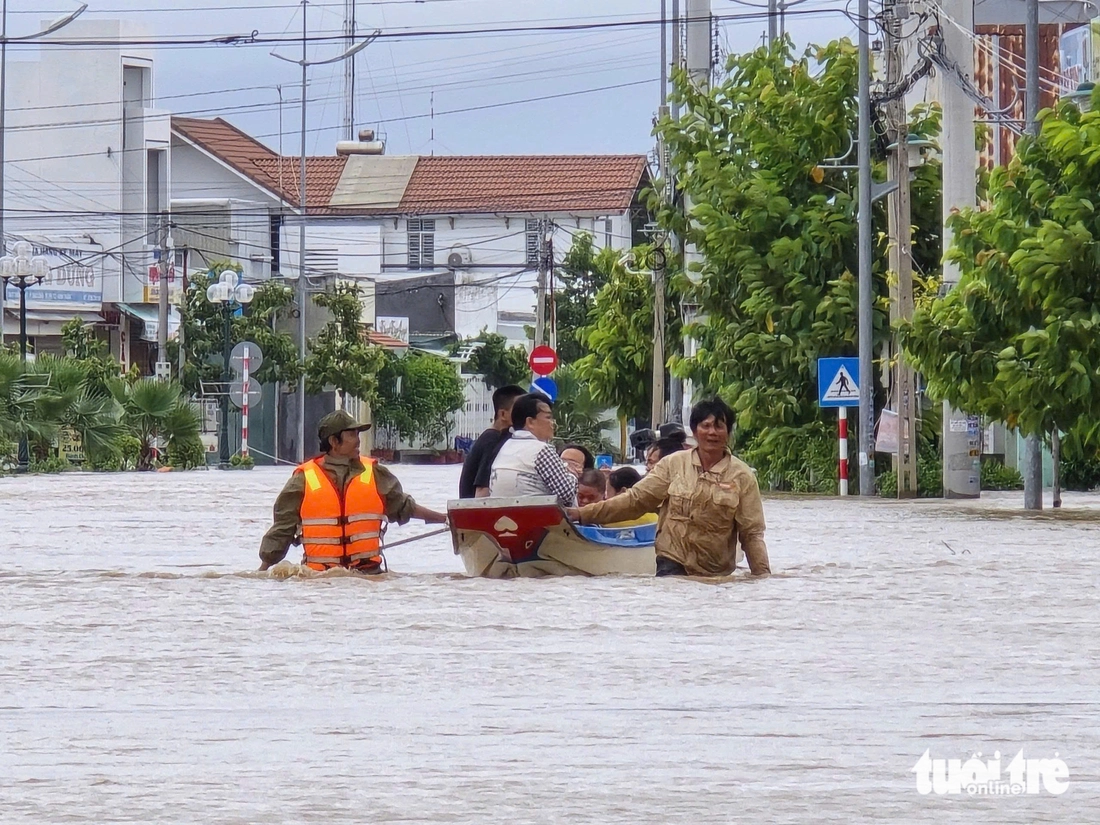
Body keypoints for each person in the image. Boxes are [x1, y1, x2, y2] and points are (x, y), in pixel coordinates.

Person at [568, 398, 770, 578]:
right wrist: (582, 514)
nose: (712, 432)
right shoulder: (672, 465)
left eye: (719, 427)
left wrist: (762, 577)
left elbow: (752, 535)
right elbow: (634, 501)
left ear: (728, 432)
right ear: (694, 431)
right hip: (671, 563)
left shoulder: (742, 476)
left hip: (715, 574)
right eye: (706, 426)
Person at [258, 410, 447, 573]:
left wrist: (446, 519)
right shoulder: (303, 479)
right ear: (334, 441)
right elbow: (282, 531)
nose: (358, 440)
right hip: (318, 584)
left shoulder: (375, 473)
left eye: (358, 434)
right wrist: (261, 572)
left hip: (369, 576)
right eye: (352, 435)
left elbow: (405, 507)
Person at [489, 393, 577, 508]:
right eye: (548, 417)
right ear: (530, 422)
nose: (553, 424)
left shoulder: (505, 447)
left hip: (504, 519)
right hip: (535, 521)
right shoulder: (541, 451)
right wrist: (572, 474)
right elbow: (567, 494)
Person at [459, 384, 526, 498]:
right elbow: (482, 491)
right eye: (519, 410)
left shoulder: (493, 437)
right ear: (503, 414)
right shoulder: (493, 440)